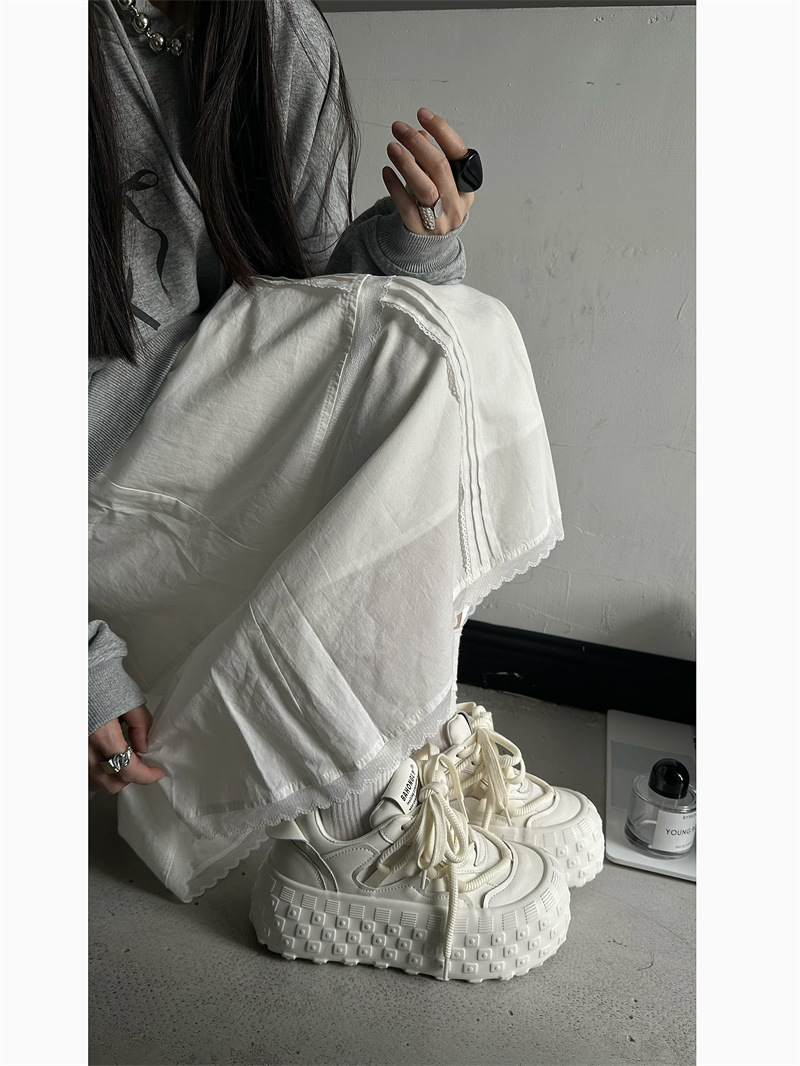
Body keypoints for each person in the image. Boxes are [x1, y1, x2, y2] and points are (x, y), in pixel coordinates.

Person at [88, 0, 603, 983]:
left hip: (190, 451)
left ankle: (395, 747)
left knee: (456, 328)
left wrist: (411, 244)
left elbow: (307, 309)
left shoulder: (271, 29)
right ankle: (345, 826)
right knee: (421, 346)